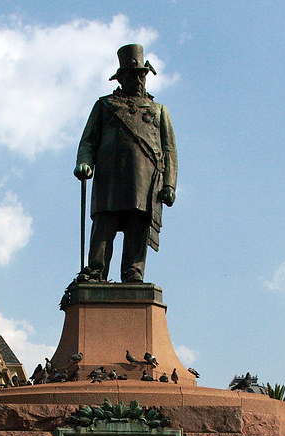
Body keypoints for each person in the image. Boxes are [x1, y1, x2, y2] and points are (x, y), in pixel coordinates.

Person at [74, 44, 177, 283]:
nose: (138, 80)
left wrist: (169, 185)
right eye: (133, 76)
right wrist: (84, 162)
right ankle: (96, 271)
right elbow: (88, 140)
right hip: (109, 180)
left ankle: (134, 273)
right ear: (121, 78)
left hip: (144, 182)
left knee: (137, 225)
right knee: (103, 226)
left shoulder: (159, 111)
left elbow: (169, 151)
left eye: (142, 75)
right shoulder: (105, 105)